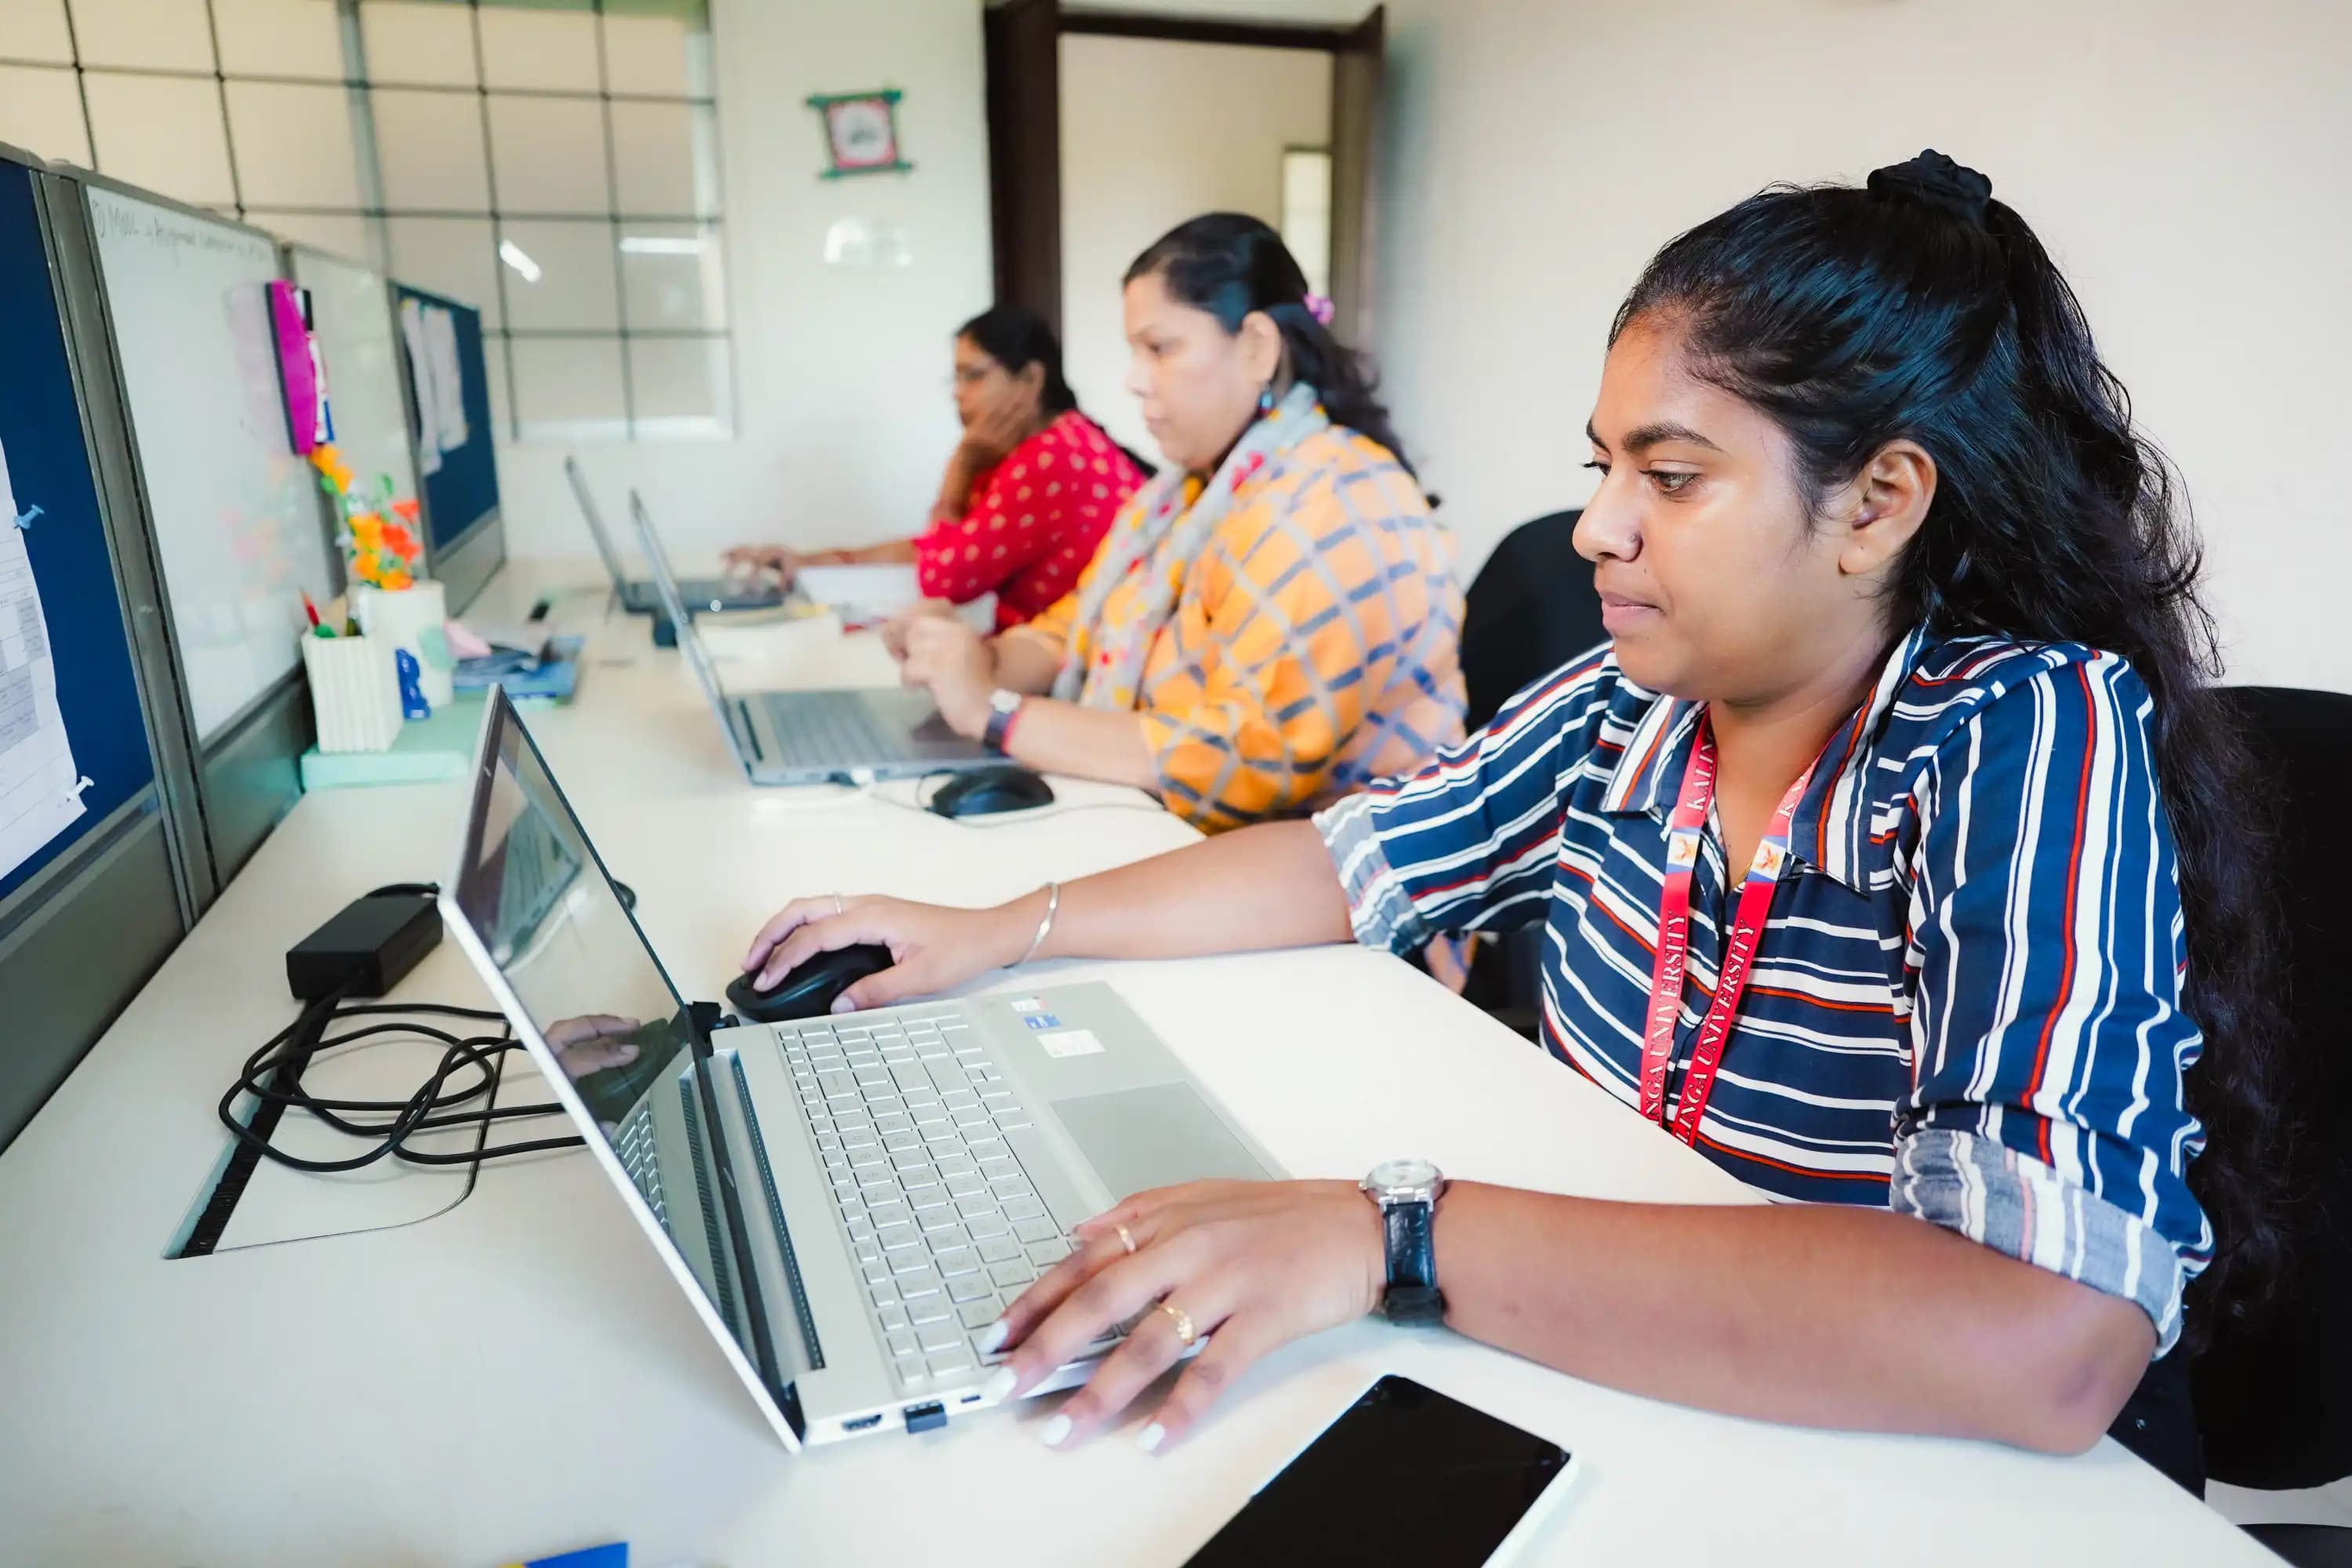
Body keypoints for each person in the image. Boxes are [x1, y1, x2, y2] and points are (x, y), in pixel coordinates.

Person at [737, 155, 2287, 1482]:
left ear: (1877, 503)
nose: (1598, 525)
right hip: (1649, 1377)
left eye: (1671, 477)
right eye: (1605, 465)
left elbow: (2046, 1335)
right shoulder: (1640, 705)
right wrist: (1003, 929)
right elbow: (1356, 855)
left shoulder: (2019, 728)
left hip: (1898, 1455)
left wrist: (1391, 1238)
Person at [891, 214, 1465, 833]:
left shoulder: (1334, 499)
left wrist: (995, 712)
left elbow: (1247, 757)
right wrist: (970, 661)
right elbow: (1080, 627)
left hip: (1333, 887)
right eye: (1135, 352)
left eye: (1160, 348)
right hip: (1192, 844)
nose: (1134, 380)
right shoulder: (1185, 491)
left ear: (1256, 348)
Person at [725, 305, 1145, 631]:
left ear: (1031, 381)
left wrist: (959, 470)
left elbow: (944, 579)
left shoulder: (1053, 458)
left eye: (973, 376)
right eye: (956, 379)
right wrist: (815, 562)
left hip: (1067, 678)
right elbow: (938, 548)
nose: (958, 395)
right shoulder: (1041, 445)